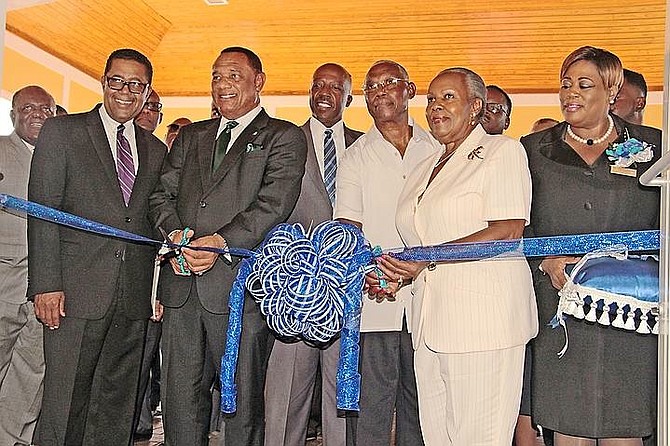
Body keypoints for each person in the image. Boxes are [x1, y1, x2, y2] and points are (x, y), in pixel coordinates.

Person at [148, 46, 307, 446]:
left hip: (241, 290)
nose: (222, 84)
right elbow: (160, 196)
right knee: (180, 401)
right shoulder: (190, 136)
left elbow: (273, 203)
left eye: (234, 75)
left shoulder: (283, 137)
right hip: (182, 287)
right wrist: (176, 236)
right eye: (217, 76)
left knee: (241, 405)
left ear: (258, 82)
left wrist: (220, 242)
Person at [380, 67, 537, 445]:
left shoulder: (502, 151)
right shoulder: (424, 167)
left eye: (448, 97)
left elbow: (507, 230)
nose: (435, 106)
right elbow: (421, 241)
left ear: (476, 107)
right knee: (438, 438)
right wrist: (396, 272)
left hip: (483, 325)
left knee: (478, 438)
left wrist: (426, 258)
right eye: (431, 99)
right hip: (429, 325)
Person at [521, 46, 660, 446]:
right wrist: (544, 260)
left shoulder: (656, 147)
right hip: (561, 312)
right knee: (569, 428)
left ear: (612, 90)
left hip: (631, 315)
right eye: (565, 85)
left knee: (626, 427)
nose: (571, 94)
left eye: (584, 85)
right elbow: (518, 227)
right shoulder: (531, 151)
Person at [28, 48, 167, 445]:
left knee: (116, 406)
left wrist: (154, 290)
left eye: (136, 84)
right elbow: (43, 211)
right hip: (72, 294)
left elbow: (151, 224)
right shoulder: (63, 132)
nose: (125, 91)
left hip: (132, 298)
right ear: (104, 82)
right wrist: (46, 285)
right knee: (65, 404)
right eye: (117, 81)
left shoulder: (155, 150)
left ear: (147, 91)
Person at [334, 60, 434, 446]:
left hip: (429, 295)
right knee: (372, 410)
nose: (380, 92)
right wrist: (371, 271)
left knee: (422, 406)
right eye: (371, 86)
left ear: (410, 90)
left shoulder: (438, 146)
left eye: (389, 83)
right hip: (376, 297)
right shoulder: (355, 156)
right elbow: (348, 226)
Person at [264, 62, 363, 446]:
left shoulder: (366, 143)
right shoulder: (285, 139)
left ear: (349, 97)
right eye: (317, 85)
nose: (324, 92)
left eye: (335, 87)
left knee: (343, 393)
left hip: (350, 288)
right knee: (285, 397)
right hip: (294, 290)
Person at [0, 85, 55, 446]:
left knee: (31, 371)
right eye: (28, 107)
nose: (37, 114)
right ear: (12, 115)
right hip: (4, 281)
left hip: (46, 288)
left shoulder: (64, 155)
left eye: (45, 109)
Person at [132, 87, 165, 442]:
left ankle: (139, 426)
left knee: (143, 366)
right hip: (103, 283)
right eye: (146, 104)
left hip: (153, 283)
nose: (148, 111)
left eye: (155, 106)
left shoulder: (160, 156)